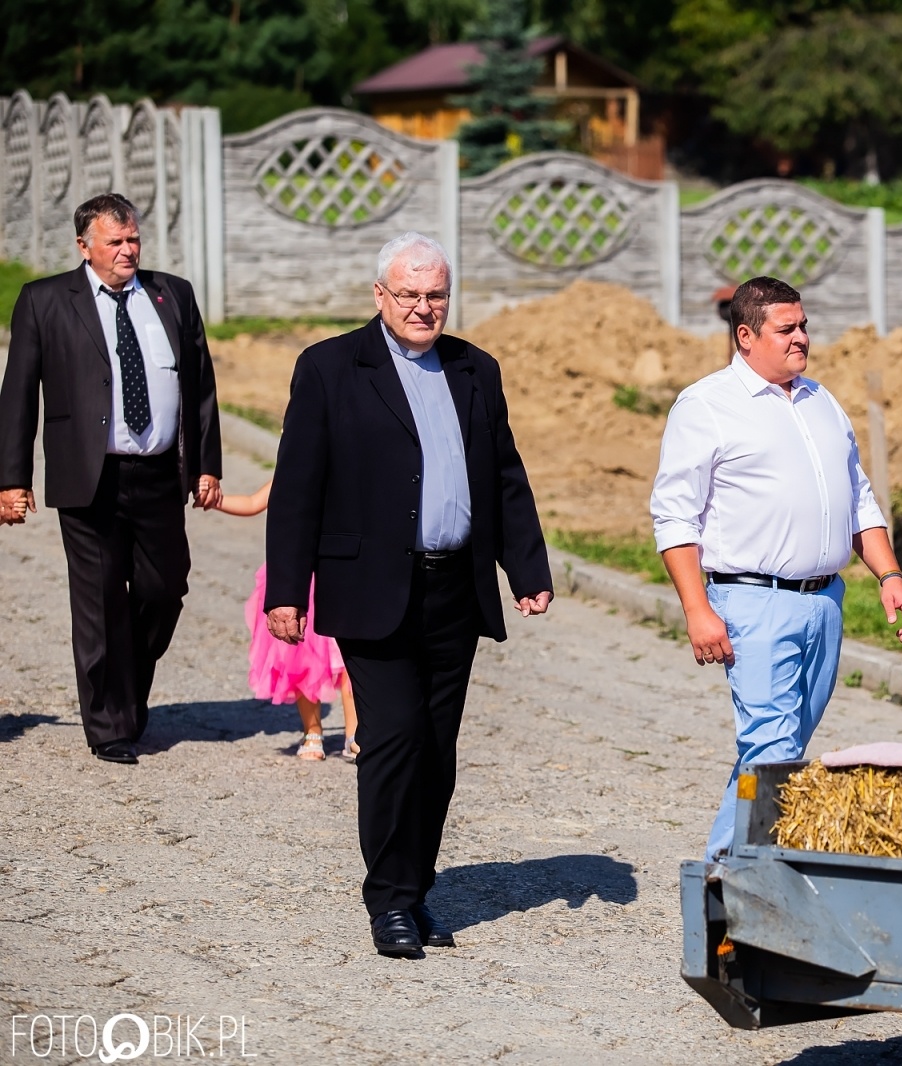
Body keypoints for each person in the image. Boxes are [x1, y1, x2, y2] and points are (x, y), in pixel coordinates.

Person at [264, 231, 554, 958]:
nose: (424, 308)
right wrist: (286, 588)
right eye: (410, 295)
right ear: (380, 296)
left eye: (436, 296)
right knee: (392, 741)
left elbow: (505, 476)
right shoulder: (331, 368)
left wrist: (528, 568)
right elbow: (298, 487)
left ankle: (415, 887)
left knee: (437, 749)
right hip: (373, 587)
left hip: (454, 586)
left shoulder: (474, 369)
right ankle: (389, 901)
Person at [651, 275, 902, 862]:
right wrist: (698, 610)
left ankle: (730, 867)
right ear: (746, 336)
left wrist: (889, 575)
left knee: (780, 747)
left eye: (803, 326)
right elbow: (674, 517)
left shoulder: (822, 400)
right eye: (786, 329)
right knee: (771, 747)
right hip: (751, 601)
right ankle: (732, 879)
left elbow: (859, 497)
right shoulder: (707, 406)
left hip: (824, 601)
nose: (802, 338)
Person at [0, 192, 222, 765]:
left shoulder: (172, 294)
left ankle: (124, 683)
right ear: (84, 247)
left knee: (163, 587)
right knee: (98, 599)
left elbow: (200, 388)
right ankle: (110, 726)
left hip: (157, 474)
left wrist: (206, 465)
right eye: (115, 242)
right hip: (88, 475)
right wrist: (11, 477)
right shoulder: (45, 300)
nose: (128, 251)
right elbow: (18, 397)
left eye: (133, 241)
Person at [218, 476, 358, 761]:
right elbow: (252, 502)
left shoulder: (347, 473)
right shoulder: (290, 475)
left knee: (349, 666)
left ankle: (354, 734)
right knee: (304, 663)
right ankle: (312, 732)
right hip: (299, 583)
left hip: (339, 579)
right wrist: (216, 501)